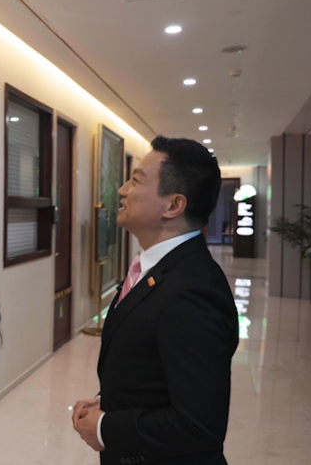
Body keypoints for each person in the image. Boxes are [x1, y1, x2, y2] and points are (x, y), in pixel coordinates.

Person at [72, 136, 238, 465]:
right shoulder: (156, 268)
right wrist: (110, 402)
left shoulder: (193, 292)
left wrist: (106, 428)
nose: (122, 190)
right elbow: (153, 369)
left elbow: (199, 425)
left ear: (173, 206)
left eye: (136, 180)